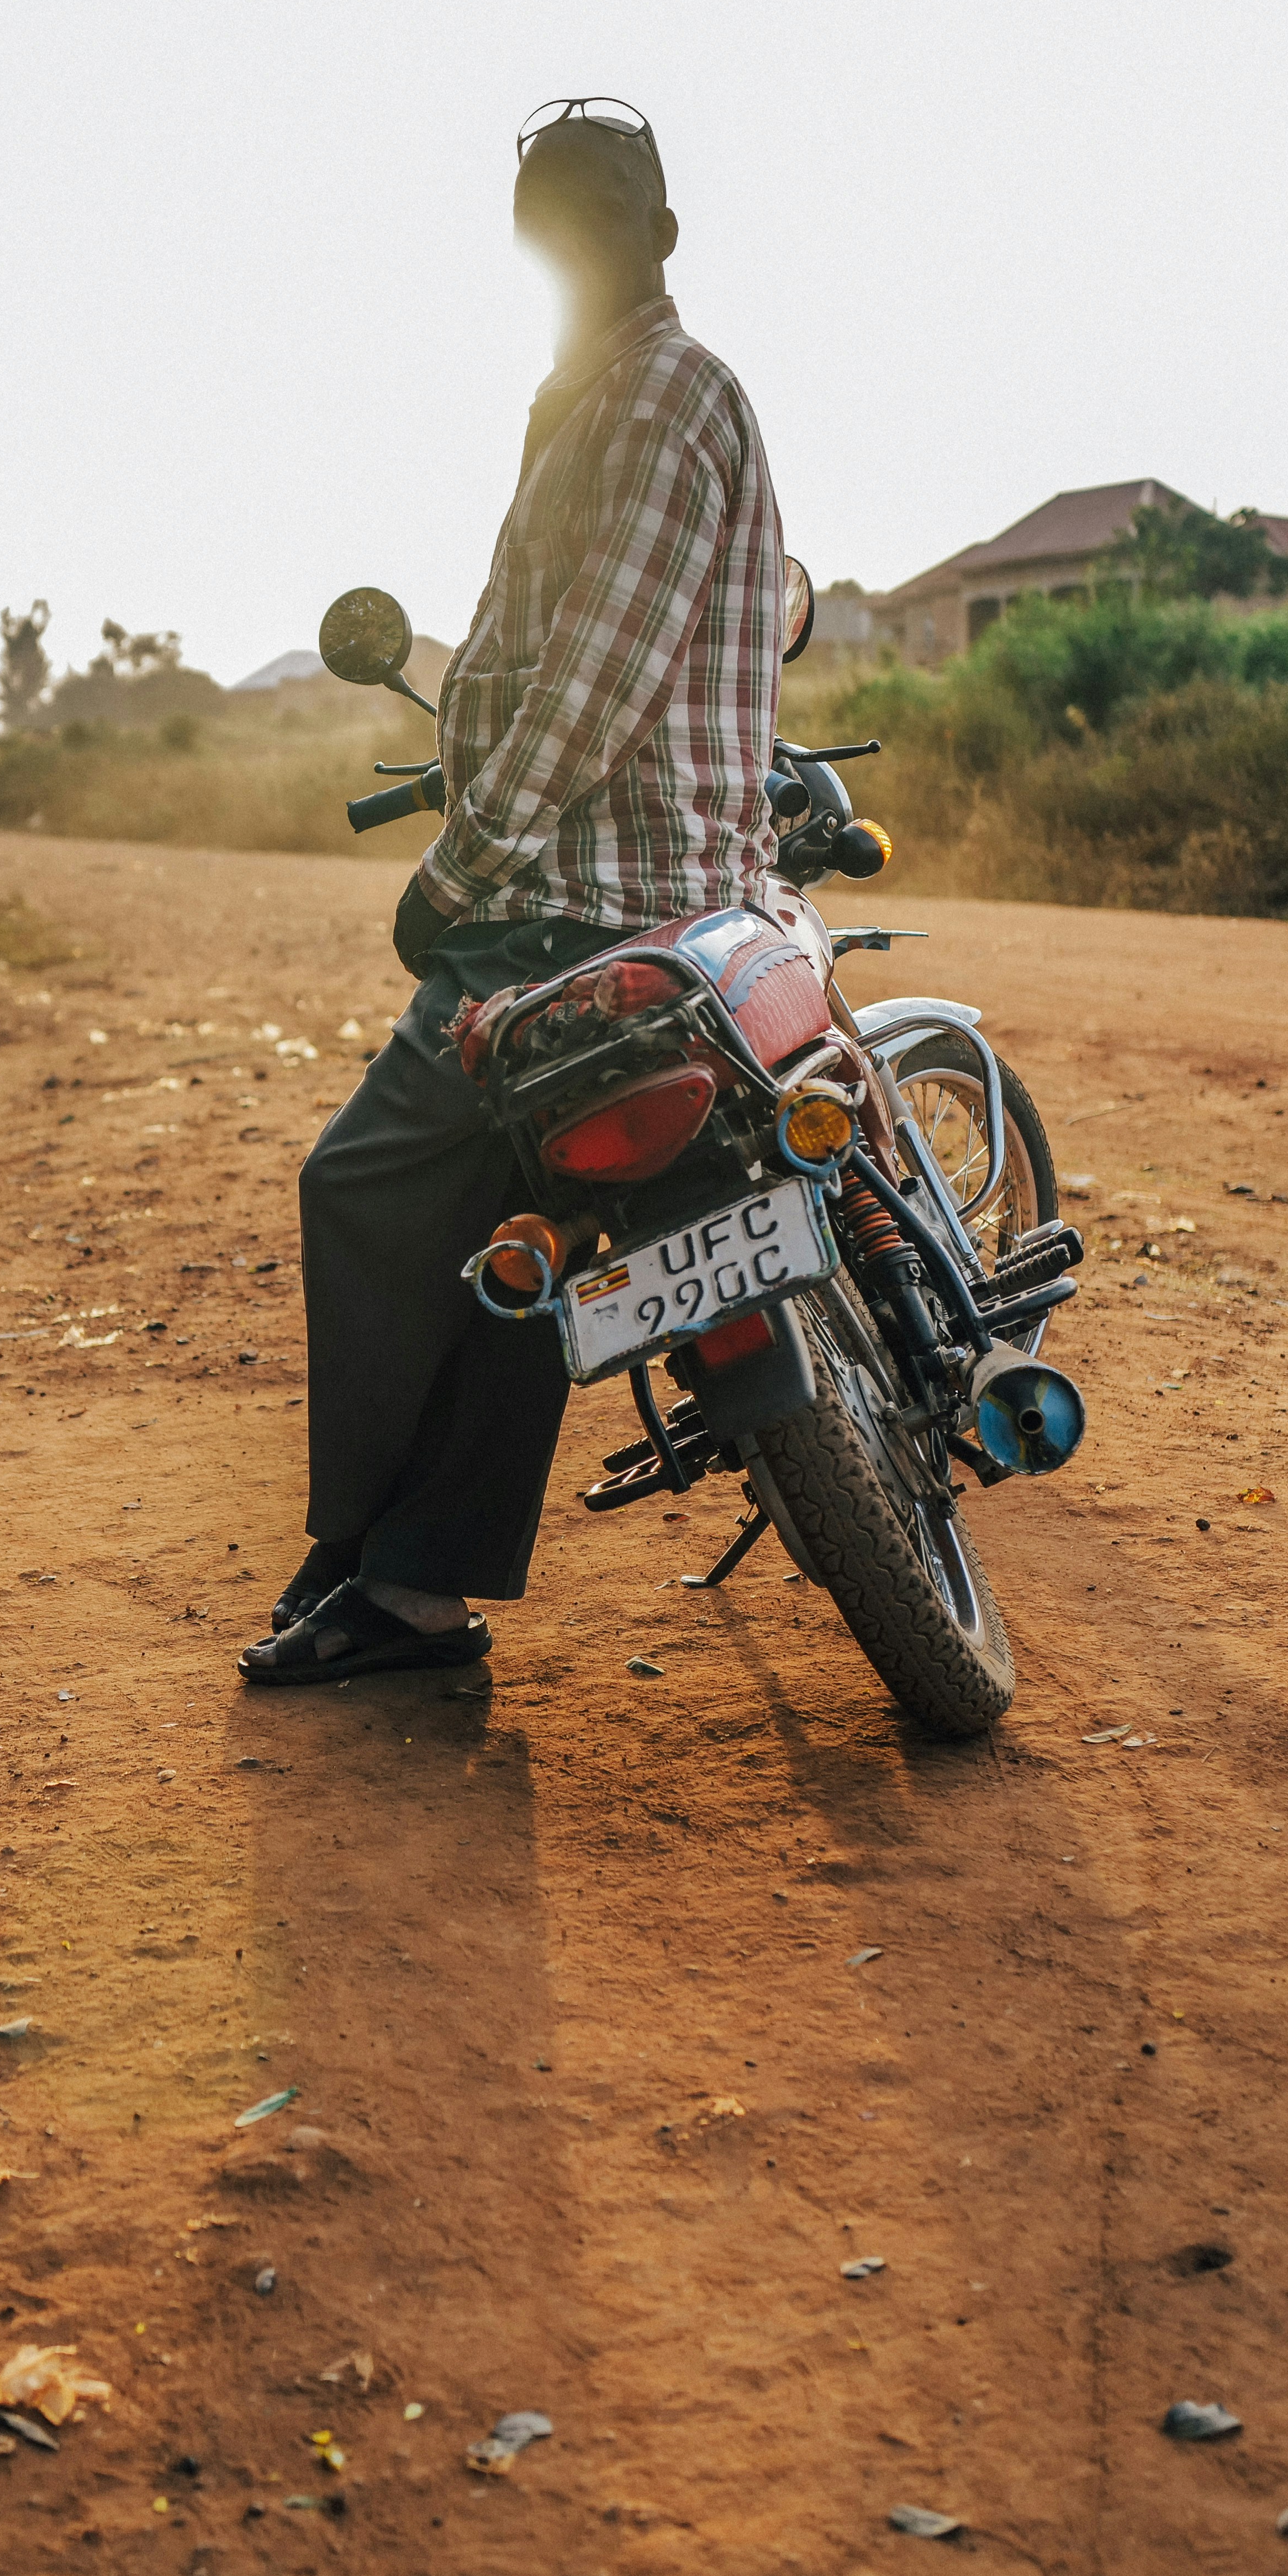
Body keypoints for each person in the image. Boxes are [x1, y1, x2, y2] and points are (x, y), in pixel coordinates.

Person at [239, 97, 784, 1687]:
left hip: (578, 908)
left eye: (589, 217)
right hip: (661, 894)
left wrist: (457, 865)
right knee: (506, 1232)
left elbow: (597, 682)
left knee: (364, 1188)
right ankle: (409, 1573)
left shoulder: (653, 400)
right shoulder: (606, 395)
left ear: (656, 237)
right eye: (550, 222)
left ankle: (379, 1558)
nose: (569, 245)